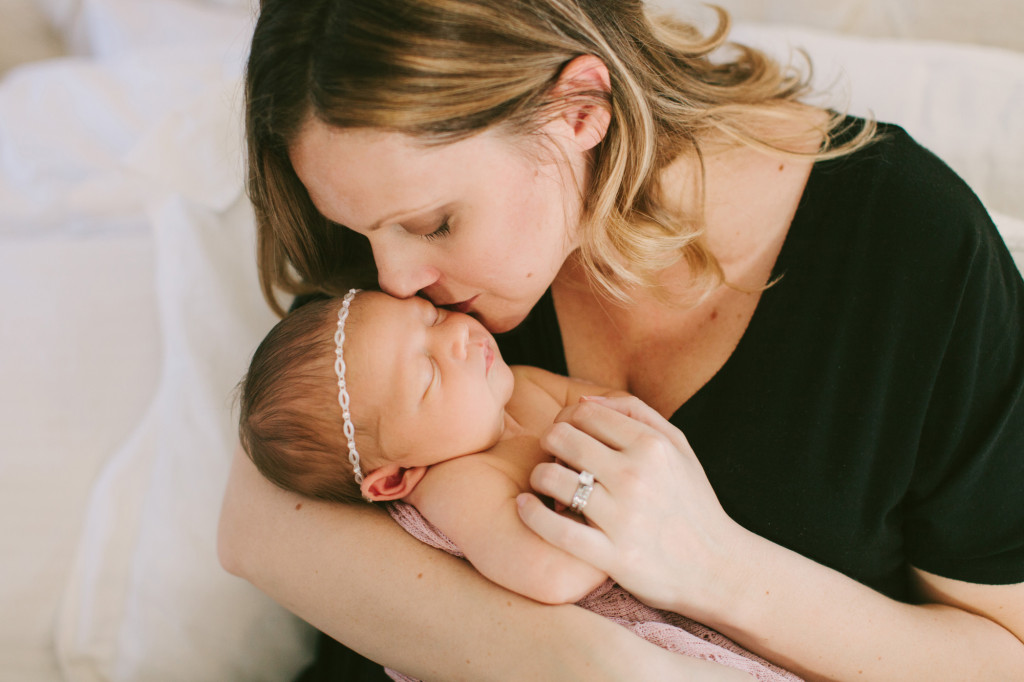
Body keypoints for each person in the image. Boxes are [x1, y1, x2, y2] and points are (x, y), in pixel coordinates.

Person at [218, 0, 1024, 680]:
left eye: (436, 223)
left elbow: (1004, 656)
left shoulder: (915, 254)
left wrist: (718, 569)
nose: (392, 280)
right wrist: (605, 667)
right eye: (358, 230)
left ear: (579, 111)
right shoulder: (391, 206)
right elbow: (259, 524)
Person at [238, 289, 800, 681]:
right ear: (394, 479)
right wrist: (601, 500)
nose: (457, 337)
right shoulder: (455, 482)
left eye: (431, 319)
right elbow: (555, 575)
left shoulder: (521, 386)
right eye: (429, 373)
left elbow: (620, 410)